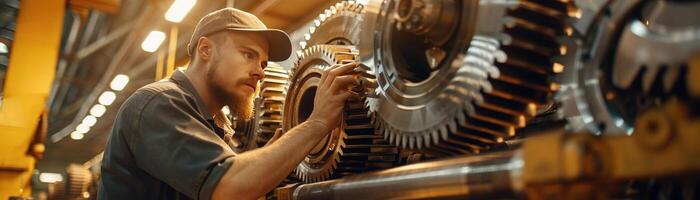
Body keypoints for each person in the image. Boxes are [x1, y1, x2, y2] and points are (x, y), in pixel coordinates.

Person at [98, 8, 360, 200]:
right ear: (205, 50)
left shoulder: (216, 127)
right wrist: (317, 123)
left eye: (263, 64)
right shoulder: (158, 102)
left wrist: (272, 158)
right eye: (248, 54)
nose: (259, 72)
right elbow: (228, 188)